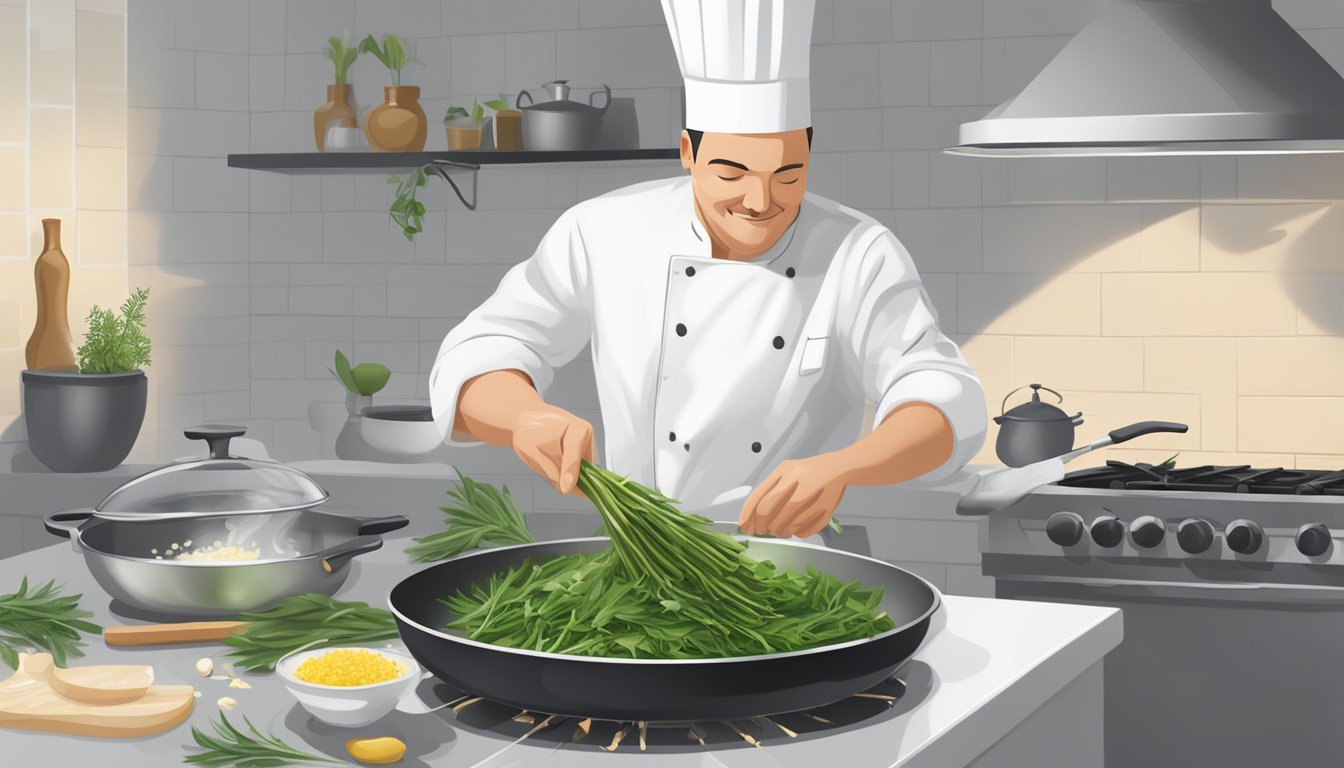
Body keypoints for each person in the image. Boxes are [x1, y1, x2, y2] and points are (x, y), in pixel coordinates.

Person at [429, 0, 985, 539]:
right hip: (643, 563)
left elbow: (940, 395)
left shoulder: (859, 252)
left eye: (788, 174)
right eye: (731, 172)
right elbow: (485, 348)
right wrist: (524, 416)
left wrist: (845, 467)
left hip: (800, 566)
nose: (759, 199)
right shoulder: (603, 231)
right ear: (687, 152)